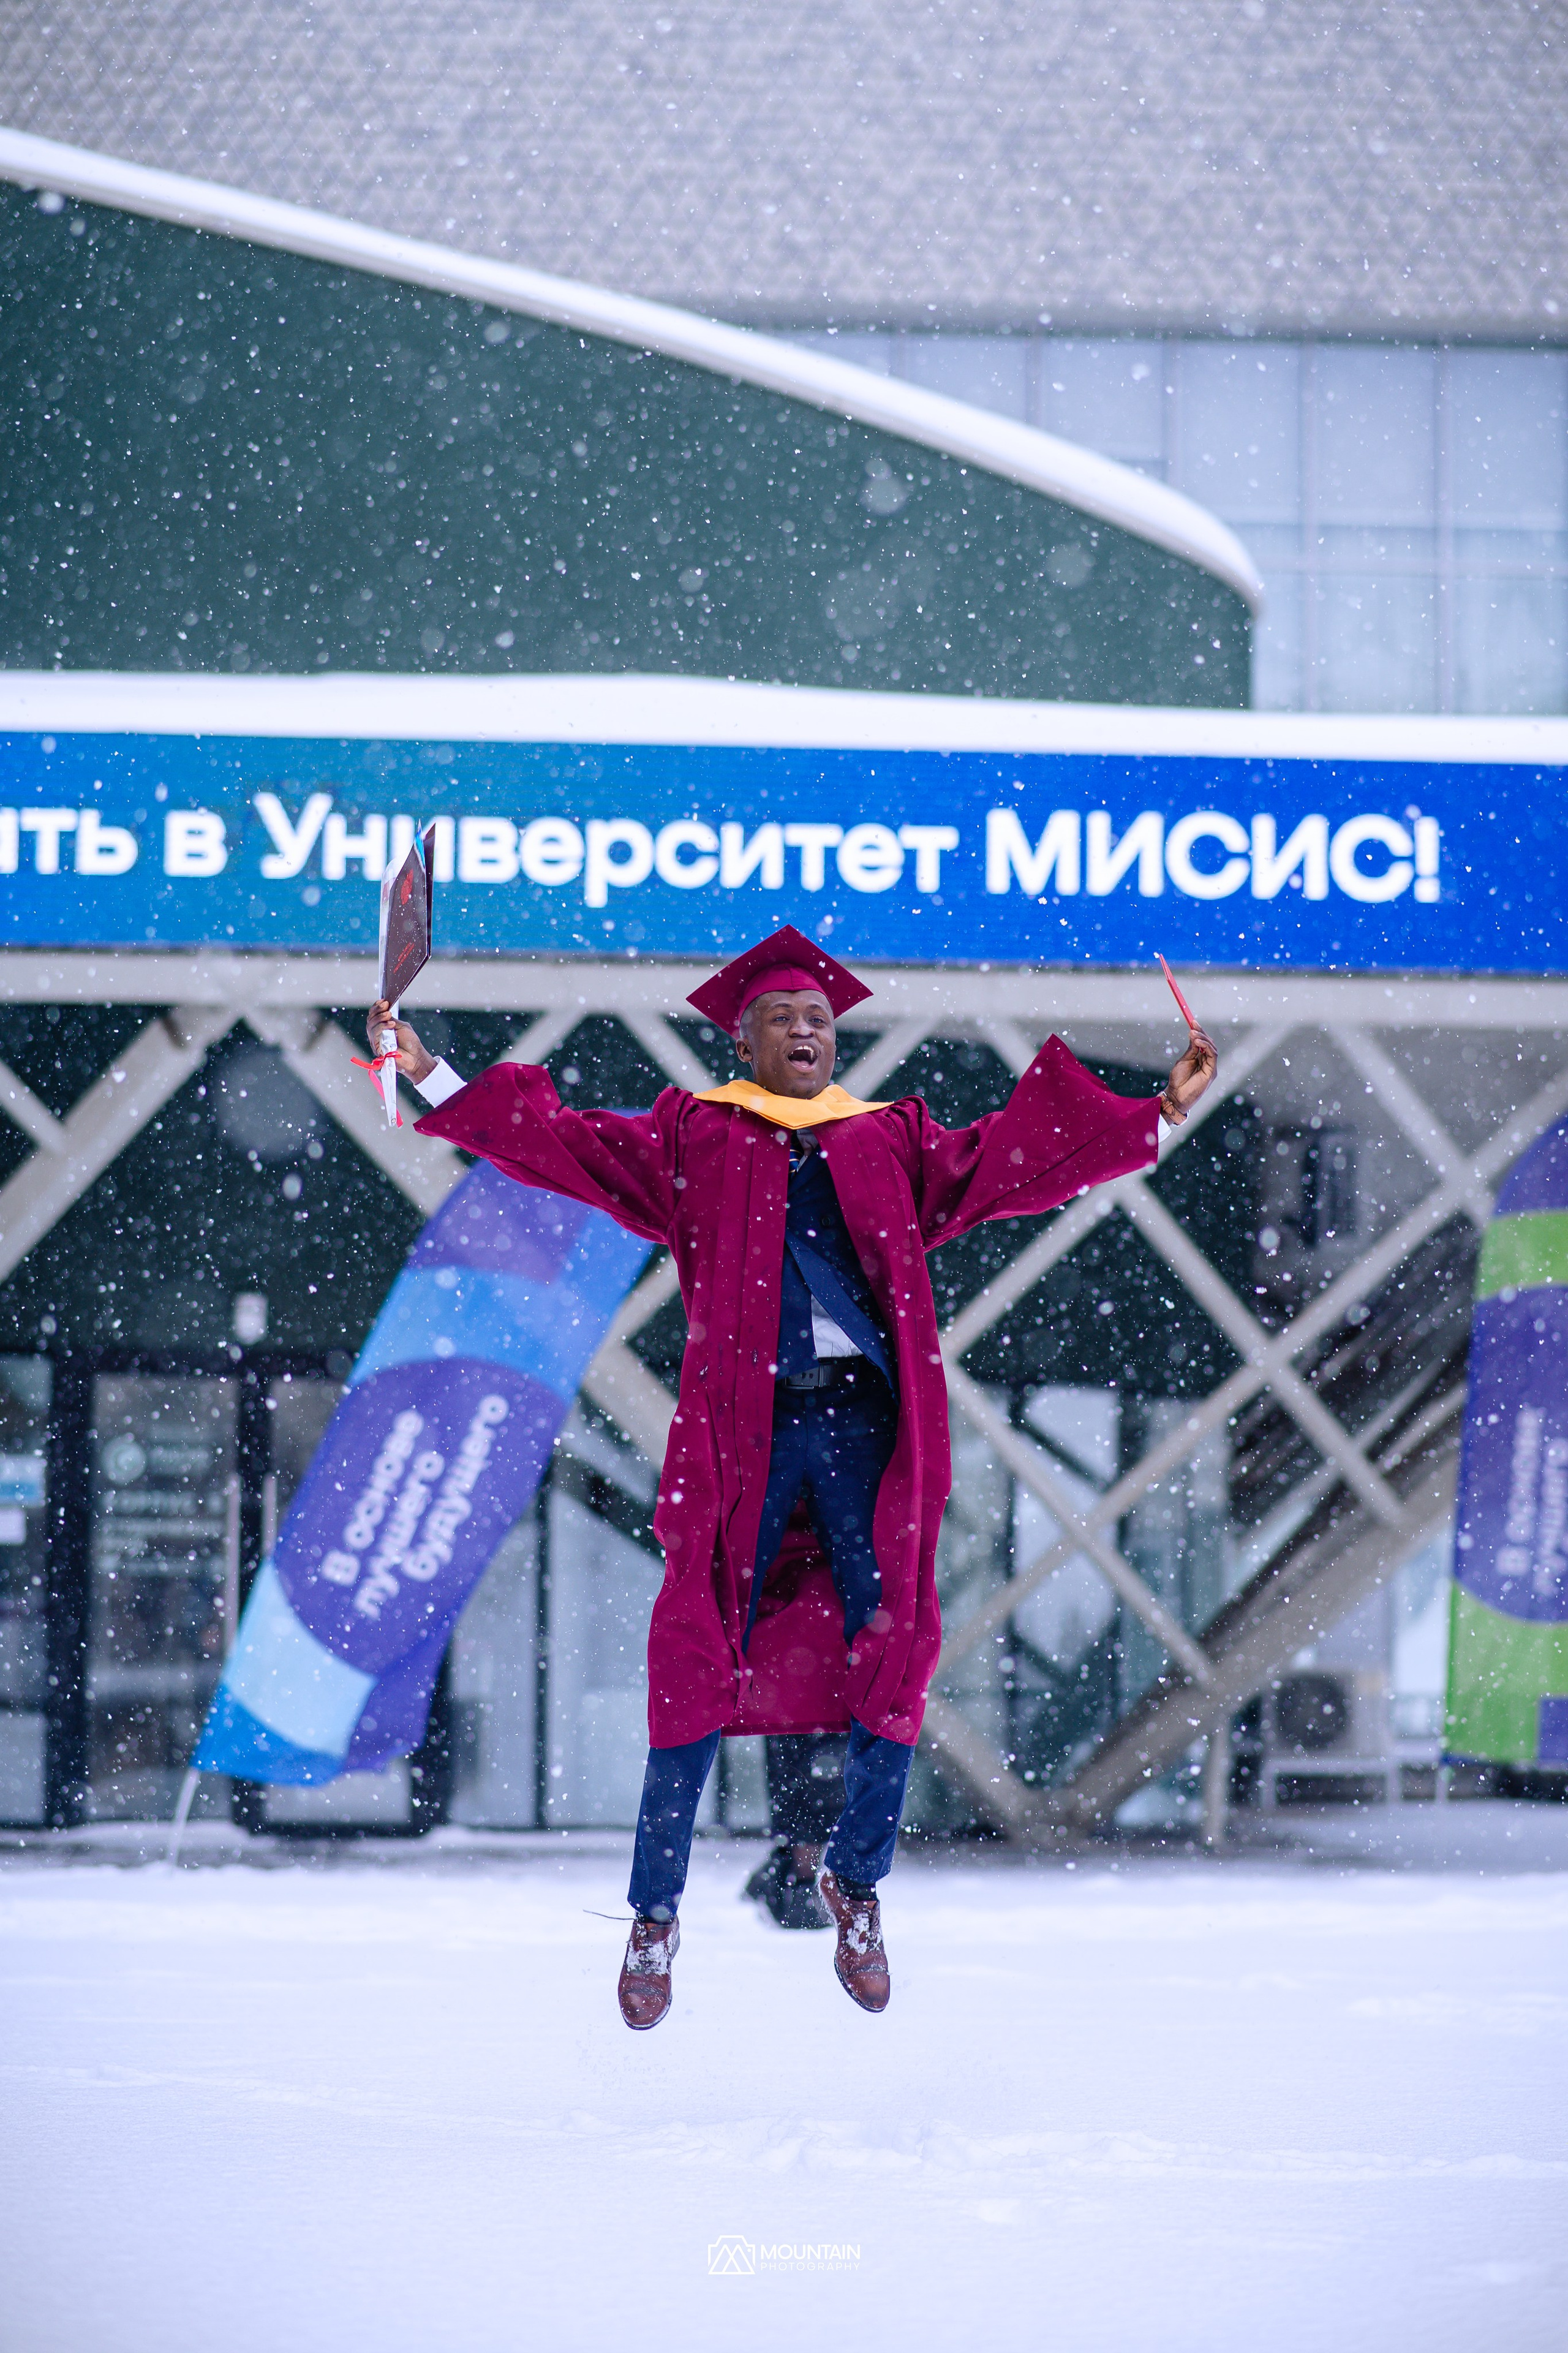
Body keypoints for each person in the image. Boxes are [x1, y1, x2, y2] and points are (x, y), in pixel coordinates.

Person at [369, 924, 1215, 2028]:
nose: (808, 1029)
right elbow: (559, 1142)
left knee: (896, 1650)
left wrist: (1157, 1112)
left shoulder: (888, 1143)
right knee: (690, 1659)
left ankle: (856, 1885)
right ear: (744, 1038)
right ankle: (655, 1917)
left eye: (819, 1018)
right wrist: (426, 1065)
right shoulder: (694, 1141)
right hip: (742, 1436)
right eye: (785, 1018)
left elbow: (1014, 1162)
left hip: (865, 1434)